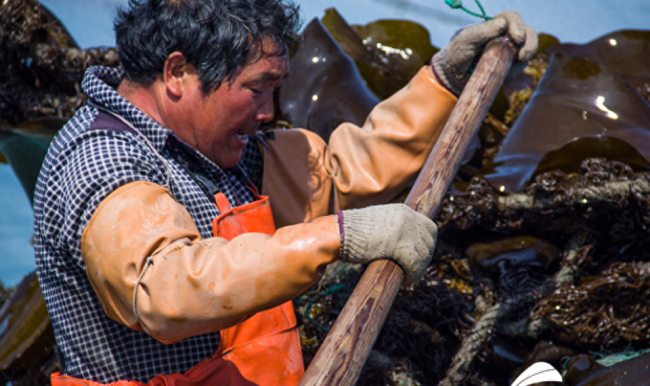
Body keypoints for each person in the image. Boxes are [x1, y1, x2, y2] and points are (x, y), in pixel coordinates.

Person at [33, 0, 537, 384]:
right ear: (177, 73)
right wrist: (337, 238)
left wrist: (444, 80)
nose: (270, 111)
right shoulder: (102, 160)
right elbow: (165, 289)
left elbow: (339, 177)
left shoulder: (216, 150)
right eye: (257, 88)